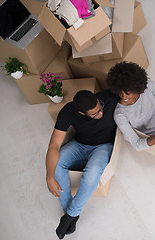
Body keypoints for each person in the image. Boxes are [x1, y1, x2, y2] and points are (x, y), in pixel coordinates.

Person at [45, 90, 117, 239]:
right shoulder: (68, 112)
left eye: (100, 108)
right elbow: (54, 146)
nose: (101, 114)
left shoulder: (109, 98)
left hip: (103, 146)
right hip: (79, 145)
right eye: (95, 114)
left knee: (92, 173)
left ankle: (70, 215)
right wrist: (49, 177)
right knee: (57, 164)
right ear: (82, 113)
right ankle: (70, 215)